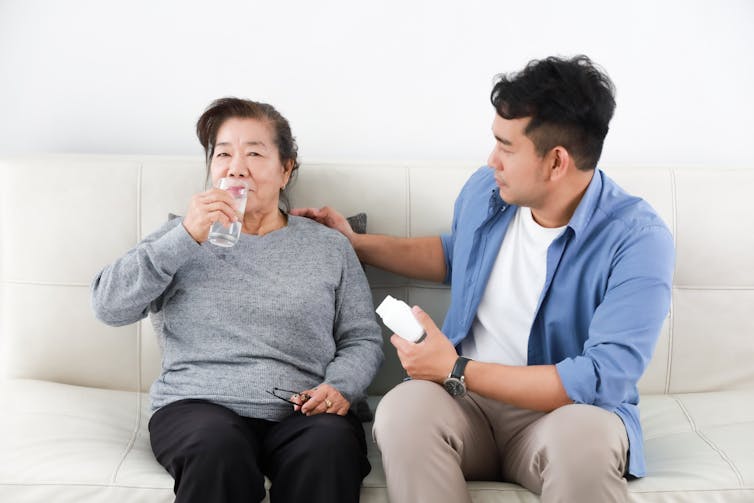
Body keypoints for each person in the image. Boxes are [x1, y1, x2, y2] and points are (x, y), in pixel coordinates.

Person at [292, 55, 675, 503]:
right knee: (401, 410)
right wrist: (357, 243)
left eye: (506, 147)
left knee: (586, 440)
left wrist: (454, 368)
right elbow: (458, 256)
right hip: (464, 406)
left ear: (556, 162)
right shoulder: (488, 191)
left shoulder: (638, 238)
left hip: (563, 417)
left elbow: (600, 377)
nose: (492, 159)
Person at [91, 97, 383, 503]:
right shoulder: (179, 235)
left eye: (254, 154)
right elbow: (108, 305)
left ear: (286, 169)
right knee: (217, 450)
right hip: (198, 406)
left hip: (303, 412)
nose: (236, 167)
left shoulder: (329, 247)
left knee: (329, 449)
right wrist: (185, 238)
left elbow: (361, 338)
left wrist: (340, 387)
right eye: (223, 154)